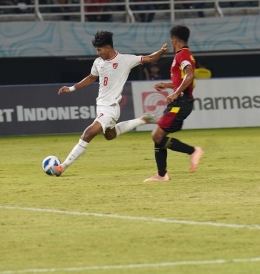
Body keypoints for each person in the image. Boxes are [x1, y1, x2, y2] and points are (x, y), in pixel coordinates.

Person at [53, 31, 168, 176]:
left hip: (110, 108)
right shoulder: (98, 62)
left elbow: (151, 58)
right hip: (101, 106)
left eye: (99, 49)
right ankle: (143, 119)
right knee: (110, 135)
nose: (98, 52)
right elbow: (90, 78)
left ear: (108, 48)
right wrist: (71, 88)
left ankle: (62, 167)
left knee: (88, 133)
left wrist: (162, 52)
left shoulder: (125, 60)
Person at [143, 25, 204, 182]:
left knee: (157, 135)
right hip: (181, 100)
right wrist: (168, 86)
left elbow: (190, 76)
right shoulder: (184, 55)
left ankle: (192, 151)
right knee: (158, 135)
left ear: (174, 40)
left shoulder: (182, 55)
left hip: (181, 101)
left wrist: (175, 93)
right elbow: (187, 80)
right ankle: (161, 174)